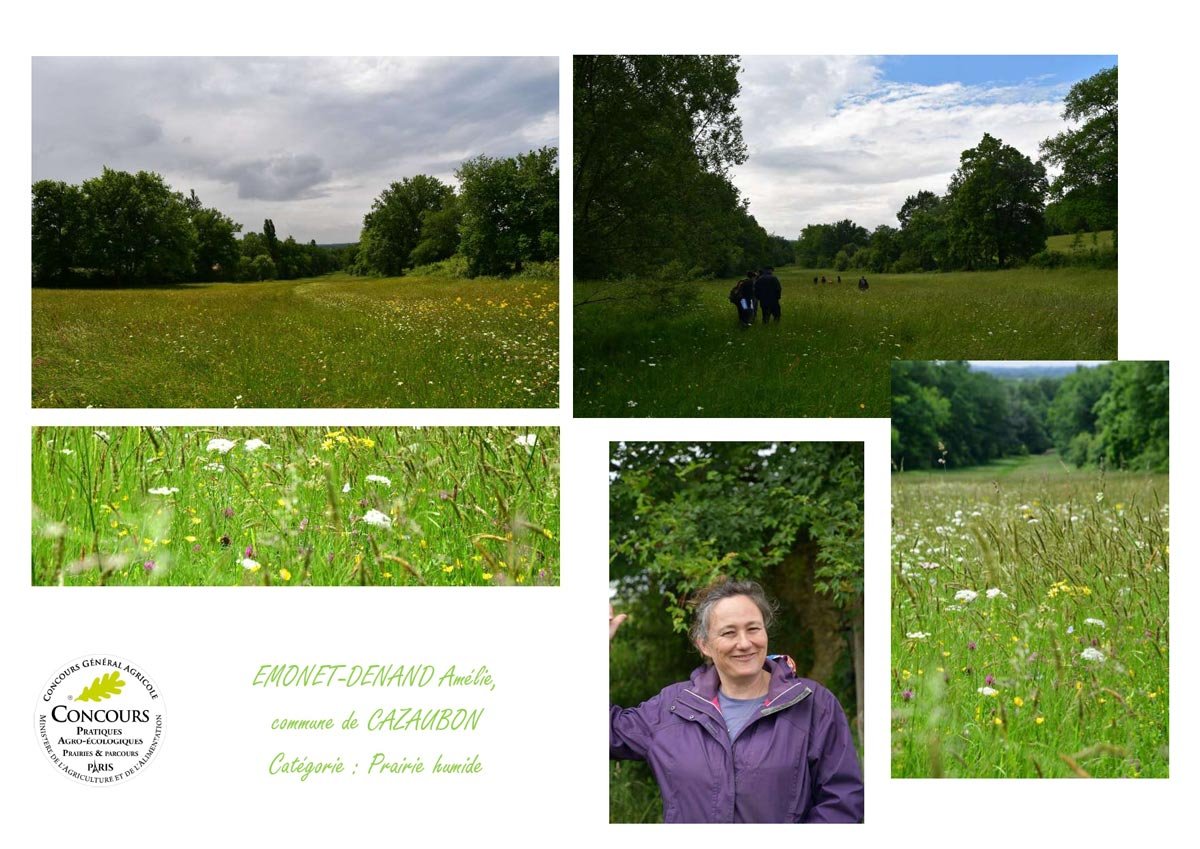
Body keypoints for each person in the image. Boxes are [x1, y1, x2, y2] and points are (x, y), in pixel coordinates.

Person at [609, 580, 864, 824]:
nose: (744, 643)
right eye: (729, 633)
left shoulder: (814, 704)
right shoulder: (671, 707)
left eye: (753, 629)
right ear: (704, 645)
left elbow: (841, 802)